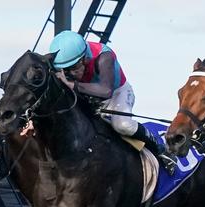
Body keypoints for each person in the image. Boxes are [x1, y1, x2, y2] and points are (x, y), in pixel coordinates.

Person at [43, 31, 176, 174]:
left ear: (84, 59)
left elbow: (105, 91)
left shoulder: (104, 57)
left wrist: (72, 85)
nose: (71, 74)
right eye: (65, 70)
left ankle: (159, 148)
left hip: (117, 93)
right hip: (88, 96)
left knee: (122, 125)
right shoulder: (67, 63)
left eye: (73, 68)